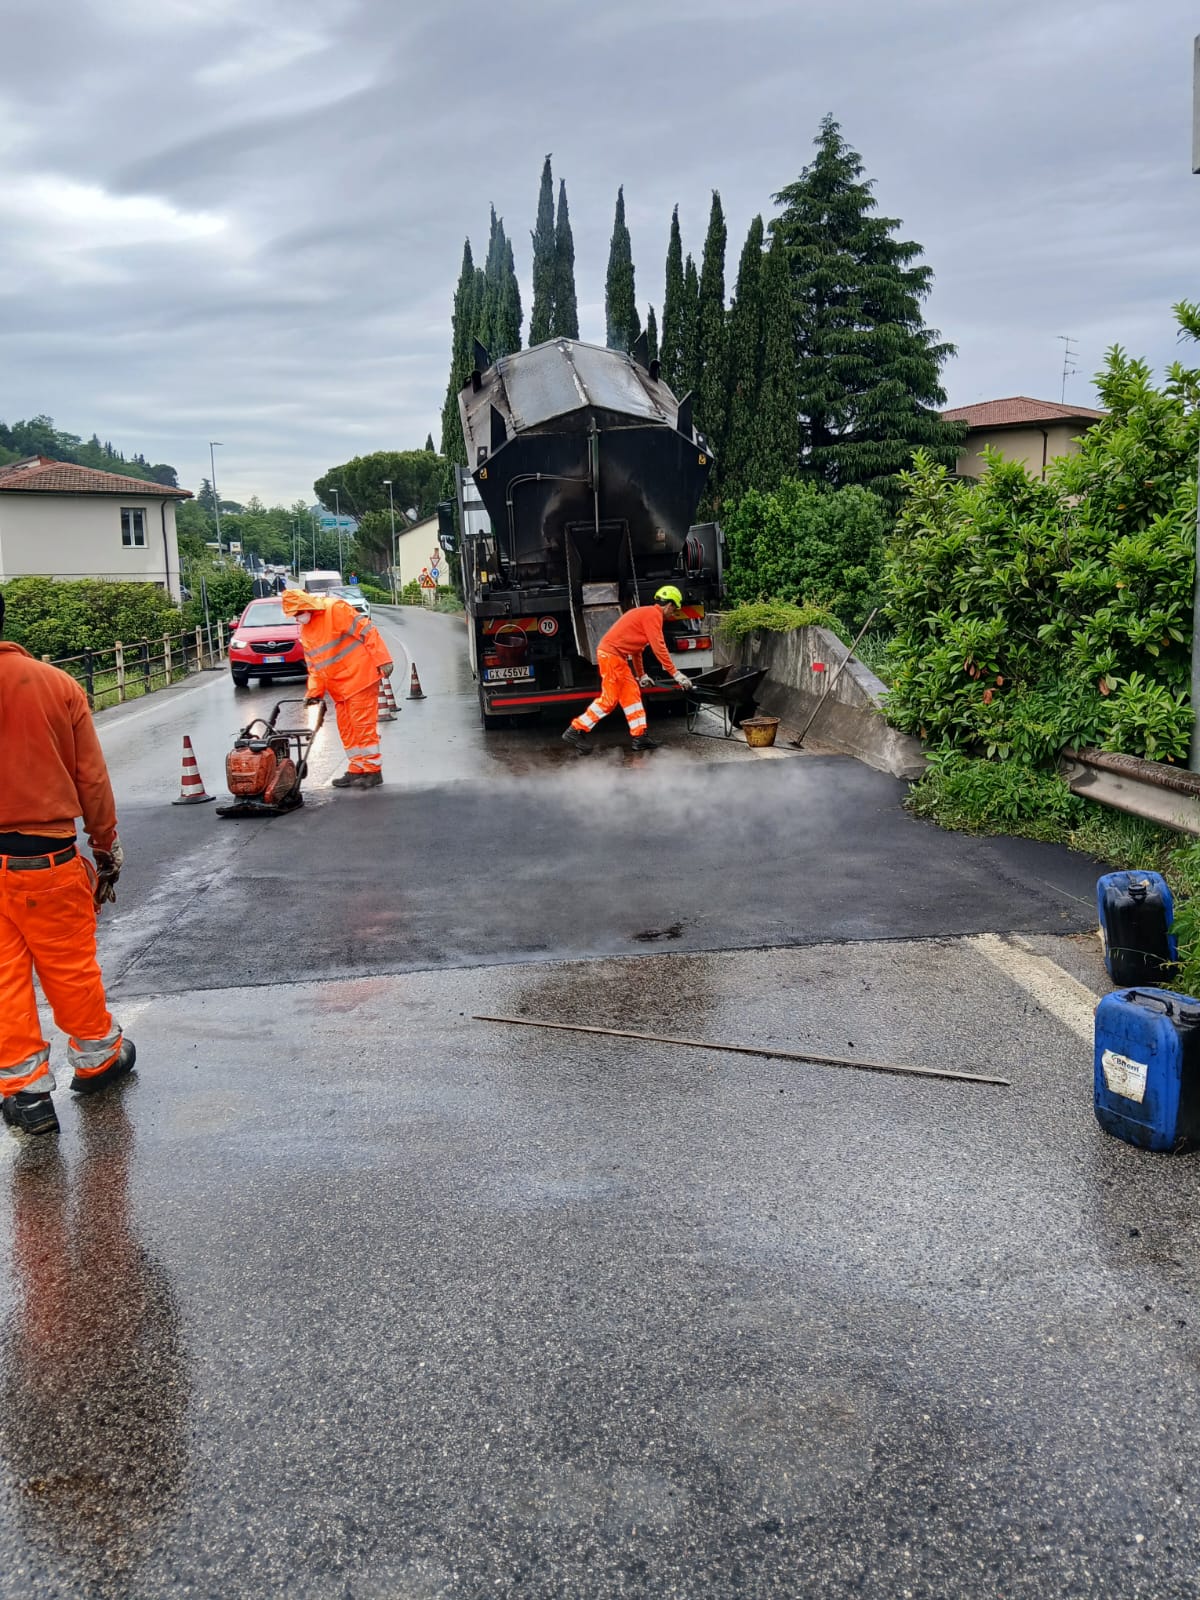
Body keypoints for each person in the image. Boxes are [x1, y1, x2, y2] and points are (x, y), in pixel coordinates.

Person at [0, 591, 134, 1137]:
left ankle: (26, 1094)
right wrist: (105, 846)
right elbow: (92, 780)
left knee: (2, 979)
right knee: (70, 968)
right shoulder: (56, 686)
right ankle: (99, 1059)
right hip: (45, 861)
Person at [281, 588, 394, 788]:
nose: (298, 618)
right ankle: (357, 768)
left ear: (307, 606)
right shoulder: (307, 631)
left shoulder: (335, 609)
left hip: (359, 677)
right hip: (339, 687)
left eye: (299, 613)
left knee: (362, 727)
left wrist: (383, 659)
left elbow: (367, 631)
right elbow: (314, 666)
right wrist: (314, 692)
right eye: (294, 616)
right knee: (347, 729)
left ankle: (373, 771)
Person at [562, 584, 692, 753]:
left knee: (631, 694)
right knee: (609, 701)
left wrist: (642, 675)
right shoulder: (654, 616)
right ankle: (575, 730)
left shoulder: (645, 615)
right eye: (674, 610)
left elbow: (637, 650)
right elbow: (659, 647)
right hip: (612, 657)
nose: (673, 614)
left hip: (614, 657)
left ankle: (640, 737)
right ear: (669, 605)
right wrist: (676, 674)